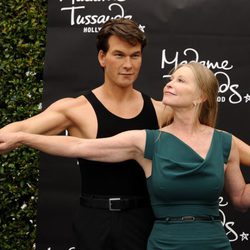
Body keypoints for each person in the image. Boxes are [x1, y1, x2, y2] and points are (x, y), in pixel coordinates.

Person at [0, 18, 250, 250]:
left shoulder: (163, 110)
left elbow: (219, 143)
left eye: (135, 55)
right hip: (94, 218)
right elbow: (19, 131)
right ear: (102, 57)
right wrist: (19, 137)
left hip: (145, 220)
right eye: (119, 55)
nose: (128, 65)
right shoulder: (76, 109)